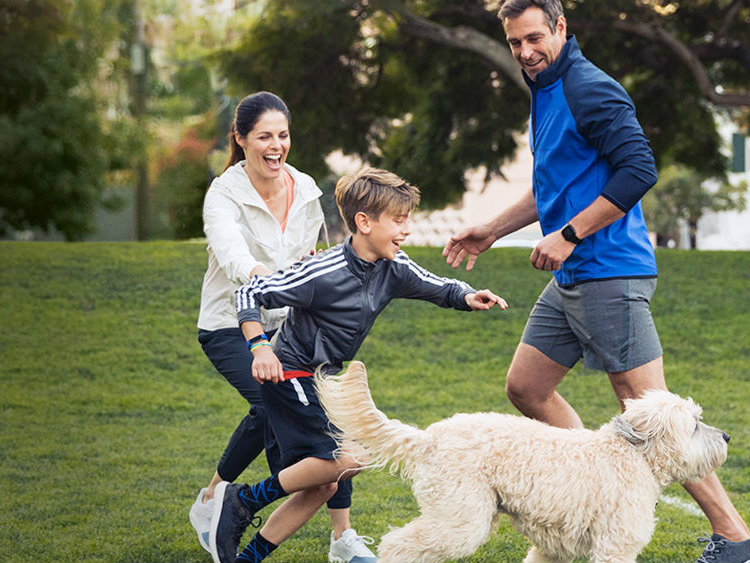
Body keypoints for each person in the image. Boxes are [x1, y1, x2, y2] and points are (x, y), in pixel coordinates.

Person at [442, 2, 750, 562]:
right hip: (576, 271)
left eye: (535, 38)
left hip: (610, 269)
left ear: (561, 28)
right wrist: (492, 227)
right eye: (514, 43)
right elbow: (554, 184)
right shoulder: (543, 87)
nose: (525, 52)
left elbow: (639, 170)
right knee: (526, 388)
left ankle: (733, 536)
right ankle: (585, 488)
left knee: (646, 408)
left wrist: (569, 235)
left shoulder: (589, 87)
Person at [208, 167, 509, 563]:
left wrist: (468, 296)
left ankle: (245, 558)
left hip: (322, 376)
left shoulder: (394, 266)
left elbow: (437, 285)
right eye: (398, 220)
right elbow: (250, 291)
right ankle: (243, 499)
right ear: (364, 222)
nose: (406, 230)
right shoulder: (323, 270)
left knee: (324, 486)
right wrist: (260, 346)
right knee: (351, 459)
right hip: (290, 372)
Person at [190, 91, 378, 563]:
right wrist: (269, 280)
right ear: (240, 139)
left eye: (283, 135)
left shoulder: (306, 187)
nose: (276, 146)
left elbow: (315, 255)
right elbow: (235, 258)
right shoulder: (223, 194)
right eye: (264, 137)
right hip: (232, 323)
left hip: (292, 330)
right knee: (266, 401)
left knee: (328, 424)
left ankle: (342, 540)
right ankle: (217, 499)